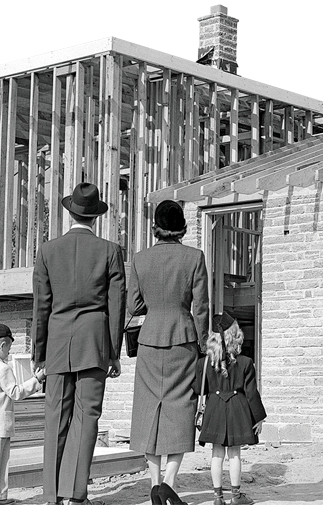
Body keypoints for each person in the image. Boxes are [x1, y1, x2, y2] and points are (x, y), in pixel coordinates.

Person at [32, 182, 126, 505]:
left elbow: (41, 306)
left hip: (57, 343)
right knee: (86, 417)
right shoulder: (110, 251)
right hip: (94, 343)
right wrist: (113, 352)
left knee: (55, 418)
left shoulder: (47, 251)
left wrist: (38, 354)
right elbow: (117, 305)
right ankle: (74, 495)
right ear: (95, 217)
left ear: (70, 211)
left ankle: (51, 495)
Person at [128, 199, 209, 505]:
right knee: (180, 409)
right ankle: (169, 484)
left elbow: (133, 305)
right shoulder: (194, 257)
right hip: (183, 339)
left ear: (155, 228)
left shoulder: (140, 259)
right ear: (183, 228)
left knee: (149, 409)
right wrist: (203, 346)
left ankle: (153, 482)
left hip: (149, 340)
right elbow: (201, 308)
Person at [193, 312, 266, 505]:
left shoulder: (204, 362)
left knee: (217, 454)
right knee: (235, 454)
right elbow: (251, 393)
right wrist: (258, 417)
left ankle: (217, 498)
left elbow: (197, 389)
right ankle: (236, 496)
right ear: (234, 336)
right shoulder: (246, 362)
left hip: (215, 409)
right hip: (238, 410)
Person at [0, 323, 46, 505]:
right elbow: (16, 392)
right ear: (2, 345)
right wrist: (37, 379)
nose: (8, 353)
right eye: (9, 349)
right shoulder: (2, 369)